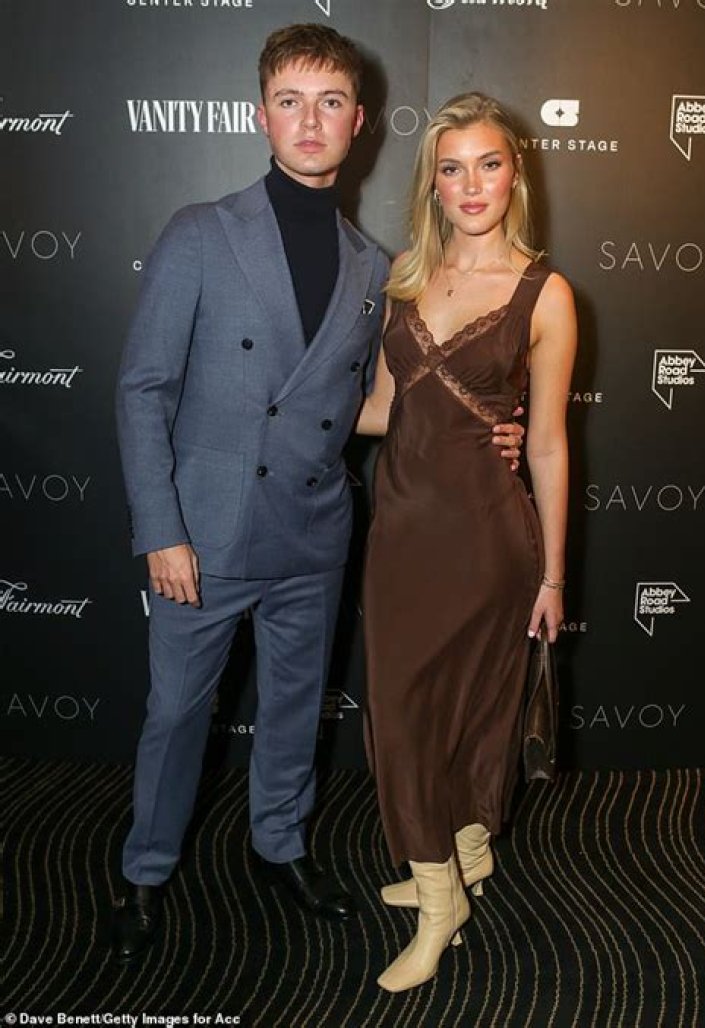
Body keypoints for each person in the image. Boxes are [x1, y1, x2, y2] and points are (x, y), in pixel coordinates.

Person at [113, 25, 528, 965]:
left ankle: (280, 847)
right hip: (203, 535)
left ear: (359, 122)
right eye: (291, 102)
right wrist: (161, 530)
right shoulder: (200, 232)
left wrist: (486, 428)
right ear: (263, 116)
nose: (310, 121)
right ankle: (144, 871)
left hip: (313, 531)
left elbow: (380, 405)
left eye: (330, 102)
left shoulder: (377, 269)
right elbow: (143, 390)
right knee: (176, 715)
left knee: (297, 708)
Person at [357, 92, 577, 992]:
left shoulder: (545, 293)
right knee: (401, 713)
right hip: (400, 534)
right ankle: (455, 857)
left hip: (487, 540)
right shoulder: (406, 275)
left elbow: (549, 444)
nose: (472, 183)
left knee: (448, 715)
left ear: (515, 174)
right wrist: (273, 409)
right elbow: (381, 408)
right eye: (453, 169)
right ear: (434, 185)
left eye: (489, 164)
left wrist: (553, 576)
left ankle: (440, 897)